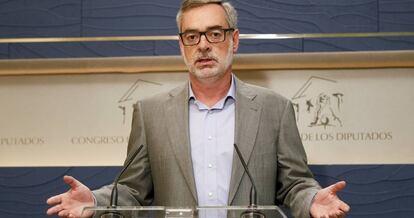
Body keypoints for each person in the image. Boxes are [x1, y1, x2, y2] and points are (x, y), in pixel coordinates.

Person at [46, 0, 350, 217]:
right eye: (192, 36)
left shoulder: (275, 109)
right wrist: (97, 203)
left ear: (234, 40)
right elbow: (133, 190)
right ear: (181, 46)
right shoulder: (150, 112)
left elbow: (294, 183)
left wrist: (312, 200)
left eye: (215, 33)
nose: (203, 45)